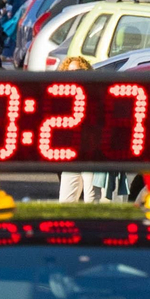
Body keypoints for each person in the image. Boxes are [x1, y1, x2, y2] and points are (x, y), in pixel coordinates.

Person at [55, 56, 100, 202]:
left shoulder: (93, 93)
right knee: (65, 200)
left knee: (91, 199)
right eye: (70, 71)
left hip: (91, 155)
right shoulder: (61, 96)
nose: (73, 74)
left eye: (78, 70)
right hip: (72, 155)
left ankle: (92, 225)